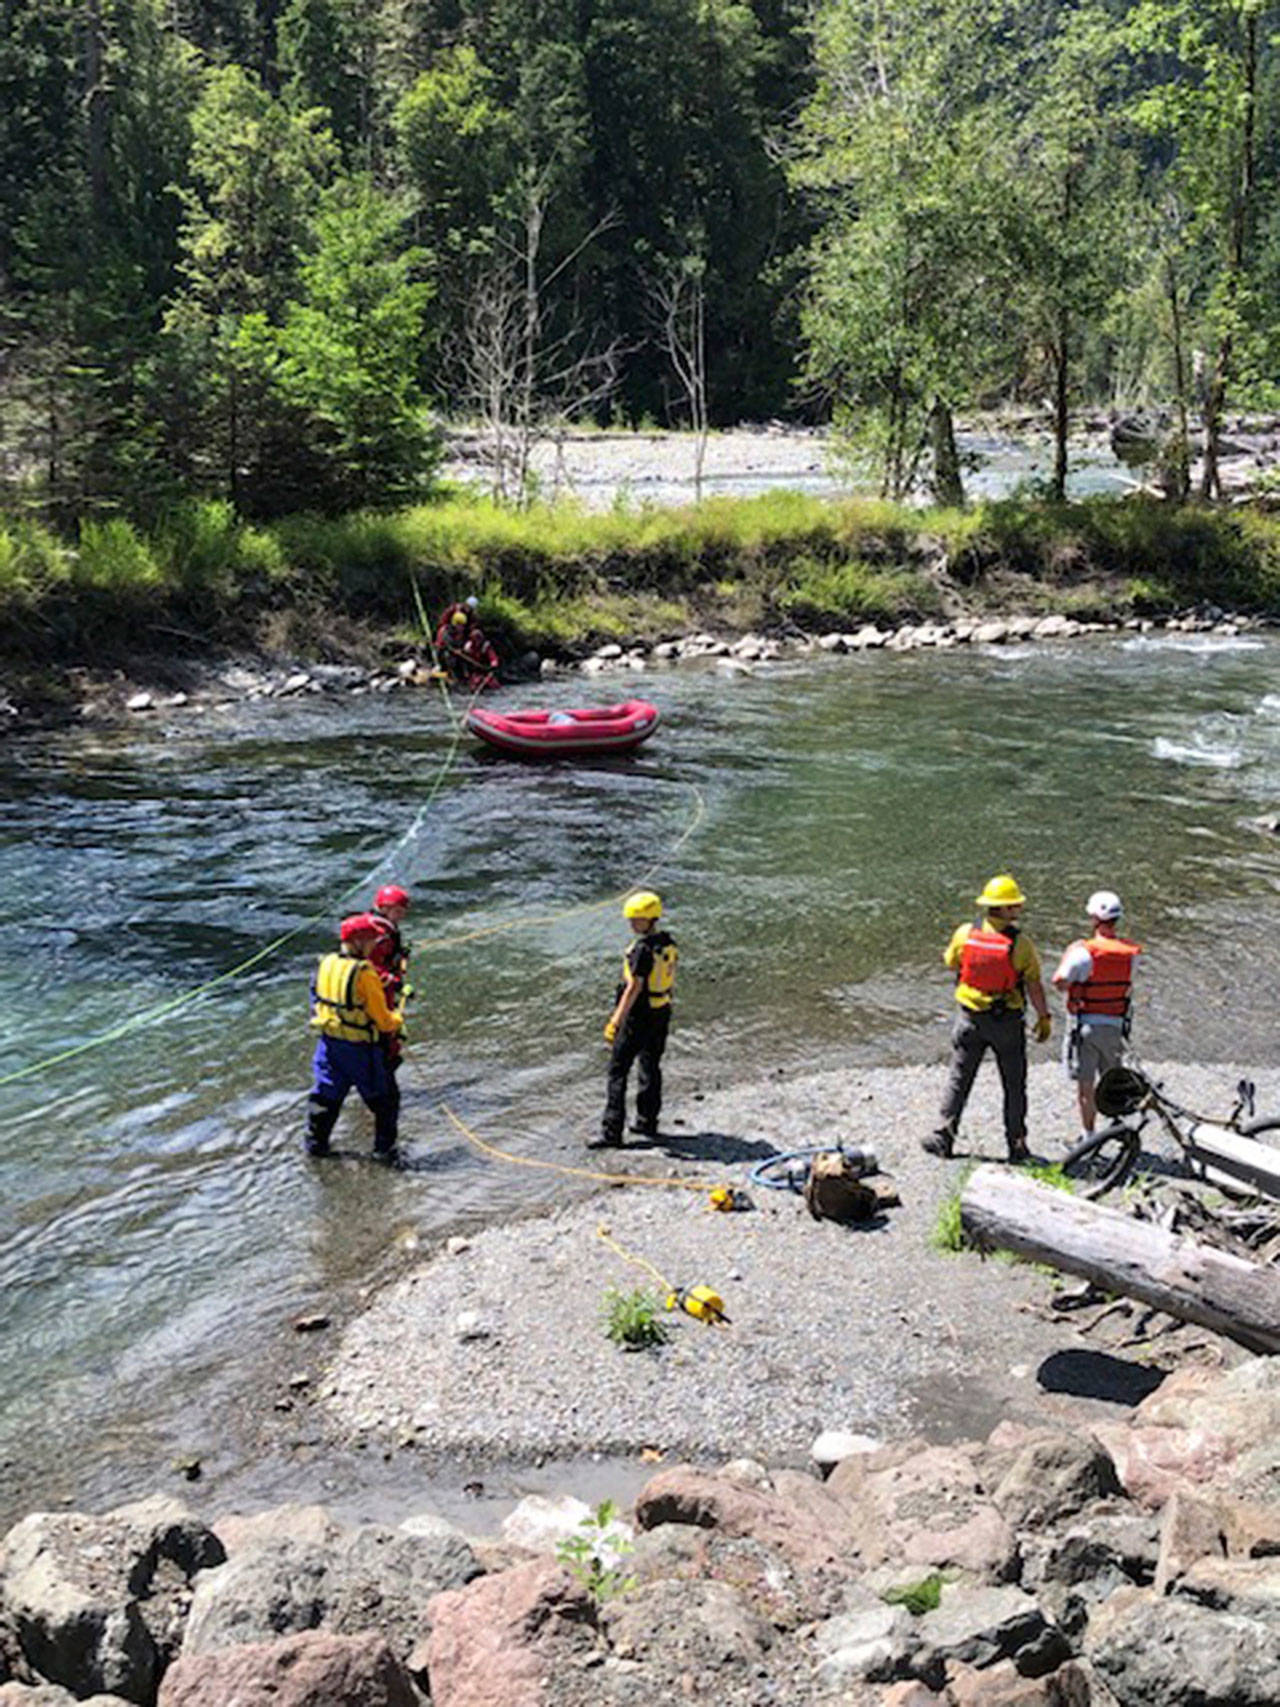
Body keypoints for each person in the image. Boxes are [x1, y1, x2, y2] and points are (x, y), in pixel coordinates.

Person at [924, 873, 1052, 1163]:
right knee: (1014, 1085)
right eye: (1015, 904)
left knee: (959, 1077)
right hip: (1006, 1022)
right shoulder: (1021, 944)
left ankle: (943, 1137)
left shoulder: (965, 933)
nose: (1019, 908)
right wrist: (1044, 1017)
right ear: (1004, 908)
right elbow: (1033, 983)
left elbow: (951, 962)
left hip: (970, 1018)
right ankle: (1017, 1146)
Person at [306, 913, 403, 1162]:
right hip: (362, 1051)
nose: (375, 946)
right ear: (359, 942)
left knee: (325, 1097)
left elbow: (315, 1001)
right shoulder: (365, 973)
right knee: (386, 1101)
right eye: (372, 940)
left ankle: (316, 1149)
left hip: (328, 1045)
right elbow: (383, 1021)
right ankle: (384, 1154)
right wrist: (398, 1019)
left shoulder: (324, 964)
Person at [1052, 890, 1141, 1146]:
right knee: (1112, 1081)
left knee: (1086, 1086)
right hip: (1115, 1026)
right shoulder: (1131, 954)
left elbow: (1059, 981)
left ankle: (1089, 1137)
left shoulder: (1083, 953)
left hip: (1086, 1026)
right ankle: (1118, 1127)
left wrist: (1068, 953)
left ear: (1093, 919)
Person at [592, 890, 678, 1148]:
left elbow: (634, 987)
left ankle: (612, 1132)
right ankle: (647, 1121)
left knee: (617, 1071)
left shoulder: (642, 950)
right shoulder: (667, 943)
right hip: (661, 1011)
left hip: (639, 1016)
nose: (631, 923)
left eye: (636, 919)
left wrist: (615, 1021)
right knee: (650, 1066)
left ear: (649, 919)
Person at [368, 883, 412, 1074]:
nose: (401, 915)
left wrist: (398, 954)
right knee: (386, 1032)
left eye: (403, 911)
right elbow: (371, 968)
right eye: (398, 911)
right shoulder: (379, 935)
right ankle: (385, 1067)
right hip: (378, 990)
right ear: (384, 909)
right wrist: (396, 984)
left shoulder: (383, 929)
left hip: (382, 987)